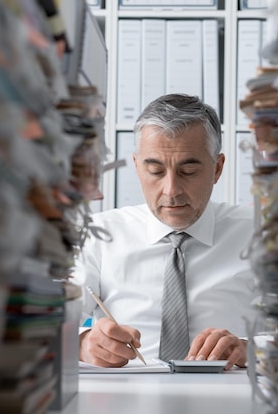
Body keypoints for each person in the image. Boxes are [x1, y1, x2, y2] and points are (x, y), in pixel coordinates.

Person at [71, 94, 258, 370]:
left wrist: (250, 349)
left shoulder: (259, 233)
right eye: (156, 171)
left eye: (189, 170)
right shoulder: (98, 235)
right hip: (126, 403)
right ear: (136, 167)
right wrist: (83, 343)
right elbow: (41, 326)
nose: (171, 190)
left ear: (217, 169)